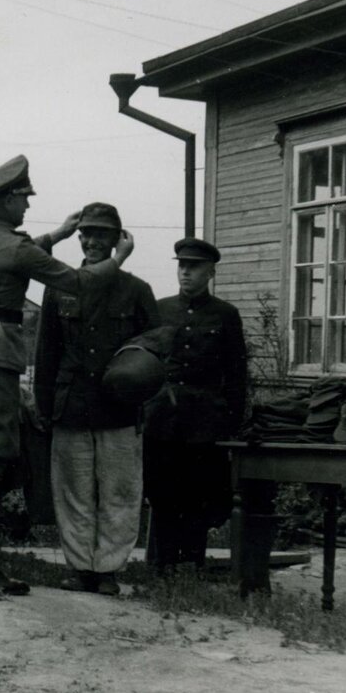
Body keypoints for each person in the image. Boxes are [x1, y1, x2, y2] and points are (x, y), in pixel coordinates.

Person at [0, 155, 134, 596]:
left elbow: (5, 255)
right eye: (23, 198)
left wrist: (57, 234)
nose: (27, 206)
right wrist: (118, 259)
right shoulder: (18, 248)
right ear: (5, 200)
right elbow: (77, 283)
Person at [34, 203, 159, 596]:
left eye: (101, 234)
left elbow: (155, 350)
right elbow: (46, 353)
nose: (91, 241)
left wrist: (144, 403)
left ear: (118, 238)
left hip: (119, 409)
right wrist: (43, 404)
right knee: (73, 490)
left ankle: (108, 569)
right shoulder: (60, 287)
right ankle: (78, 567)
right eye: (86, 233)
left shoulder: (137, 290)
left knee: (120, 491)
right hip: (71, 404)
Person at [140, 237, 247, 573]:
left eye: (194, 266)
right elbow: (144, 362)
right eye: (181, 265)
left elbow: (236, 373)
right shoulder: (159, 309)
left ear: (210, 272)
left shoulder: (226, 315)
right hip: (162, 417)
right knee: (162, 489)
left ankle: (192, 560)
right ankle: (163, 560)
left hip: (205, 420)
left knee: (200, 491)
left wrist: (231, 421)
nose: (185, 271)